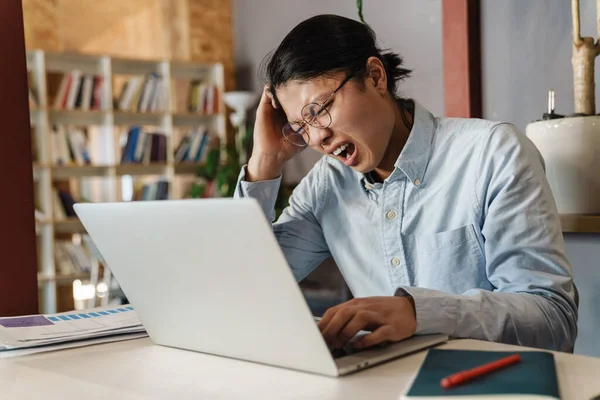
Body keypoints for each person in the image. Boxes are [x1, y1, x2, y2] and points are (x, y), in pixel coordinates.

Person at [233, 14, 578, 352]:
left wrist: (419, 312)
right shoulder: (327, 185)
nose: (318, 137)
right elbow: (246, 285)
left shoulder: (492, 153)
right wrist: (265, 163)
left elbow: (552, 321)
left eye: (319, 110)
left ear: (375, 76)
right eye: (300, 126)